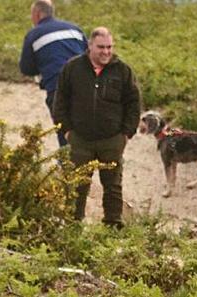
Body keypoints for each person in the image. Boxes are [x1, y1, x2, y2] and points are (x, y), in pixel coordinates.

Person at [52, 27, 141, 226]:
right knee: (77, 185)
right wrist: (66, 131)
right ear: (90, 46)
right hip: (79, 139)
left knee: (113, 186)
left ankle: (113, 227)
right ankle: (73, 226)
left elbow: (134, 103)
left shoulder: (123, 70)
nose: (106, 52)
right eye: (101, 47)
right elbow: (60, 101)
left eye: (109, 47)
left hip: (112, 139)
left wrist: (126, 133)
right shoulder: (72, 68)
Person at [19, 0, 86, 147]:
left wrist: (44, 66)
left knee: (64, 133)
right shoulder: (75, 29)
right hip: (85, 86)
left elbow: (26, 68)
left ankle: (70, 167)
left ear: (37, 14)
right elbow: (89, 55)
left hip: (57, 89)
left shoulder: (33, 35)